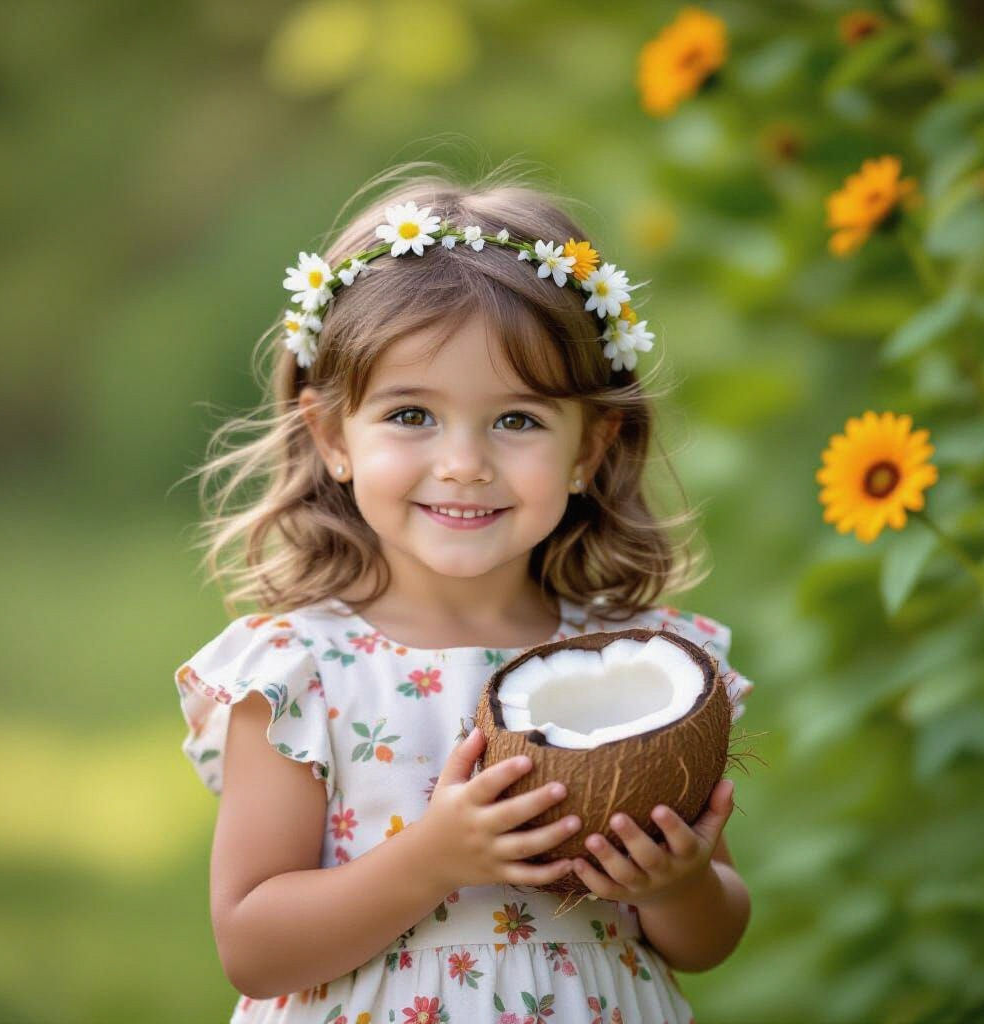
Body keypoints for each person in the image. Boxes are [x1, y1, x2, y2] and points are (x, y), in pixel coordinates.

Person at [173, 163, 755, 1024]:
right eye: (412, 415)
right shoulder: (299, 674)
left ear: (590, 449)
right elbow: (253, 947)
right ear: (333, 435)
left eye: (517, 420)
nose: (463, 463)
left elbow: (707, 943)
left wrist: (678, 884)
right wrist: (433, 859)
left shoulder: (645, 662)